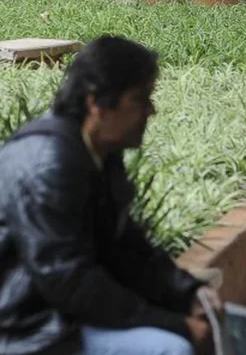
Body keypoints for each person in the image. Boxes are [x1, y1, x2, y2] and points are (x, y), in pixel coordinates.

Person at [0, 36, 223, 355]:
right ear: (97, 103)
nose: (151, 110)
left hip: (62, 313)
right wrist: (172, 323)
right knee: (170, 348)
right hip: (29, 328)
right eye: (140, 98)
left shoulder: (98, 148)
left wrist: (190, 293)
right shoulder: (47, 162)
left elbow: (126, 244)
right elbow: (67, 279)